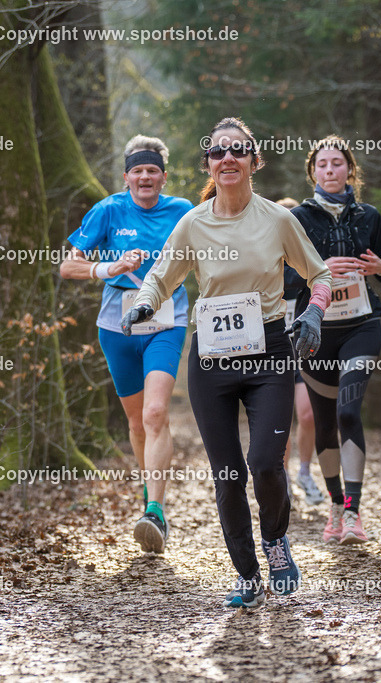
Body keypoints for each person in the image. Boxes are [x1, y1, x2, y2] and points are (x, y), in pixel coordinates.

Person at [122, 118, 333, 608]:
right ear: (209, 165)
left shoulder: (277, 220)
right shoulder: (194, 222)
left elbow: (319, 273)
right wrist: (143, 306)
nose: (228, 158)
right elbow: (160, 276)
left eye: (239, 150)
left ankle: (277, 542)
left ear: (254, 161)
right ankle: (246, 573)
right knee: (228, 474)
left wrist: (315, 314)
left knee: (263, 463)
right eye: (218, 152)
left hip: (270, 355)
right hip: (213, 361)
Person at [59, 135, 192, 554]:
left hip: (166, 321)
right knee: (136, 424)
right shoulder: (110, 209)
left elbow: (213, 253)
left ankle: (155, 510)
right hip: (117, 327)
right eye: (138, 170)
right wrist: (107, 266)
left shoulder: (183, 211)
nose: (145, 177)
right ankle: (149, 494)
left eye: (152, 170)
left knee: (155, 413)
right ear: (126, 176)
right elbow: (67, 265)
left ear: (163, 176)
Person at [288, 135, 381, 545]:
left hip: (361, 325)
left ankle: (353, 510)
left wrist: (379, 265)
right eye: (322, 164)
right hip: (316, 332)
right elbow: (281, 278)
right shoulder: (297, 219)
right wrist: (318, 271)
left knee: (349, 412)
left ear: (349, 169)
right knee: (324, 422)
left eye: (337, 163)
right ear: (312, 172)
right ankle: (334, 504)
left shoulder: (368, 216)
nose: (330, 170)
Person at [276, 197, 323, 507]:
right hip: (274, 348)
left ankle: (305, 472)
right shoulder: (265, 258)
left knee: (307, 415)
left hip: (303, 348)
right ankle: (283, 479)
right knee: (280, 420)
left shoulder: (309, 260)